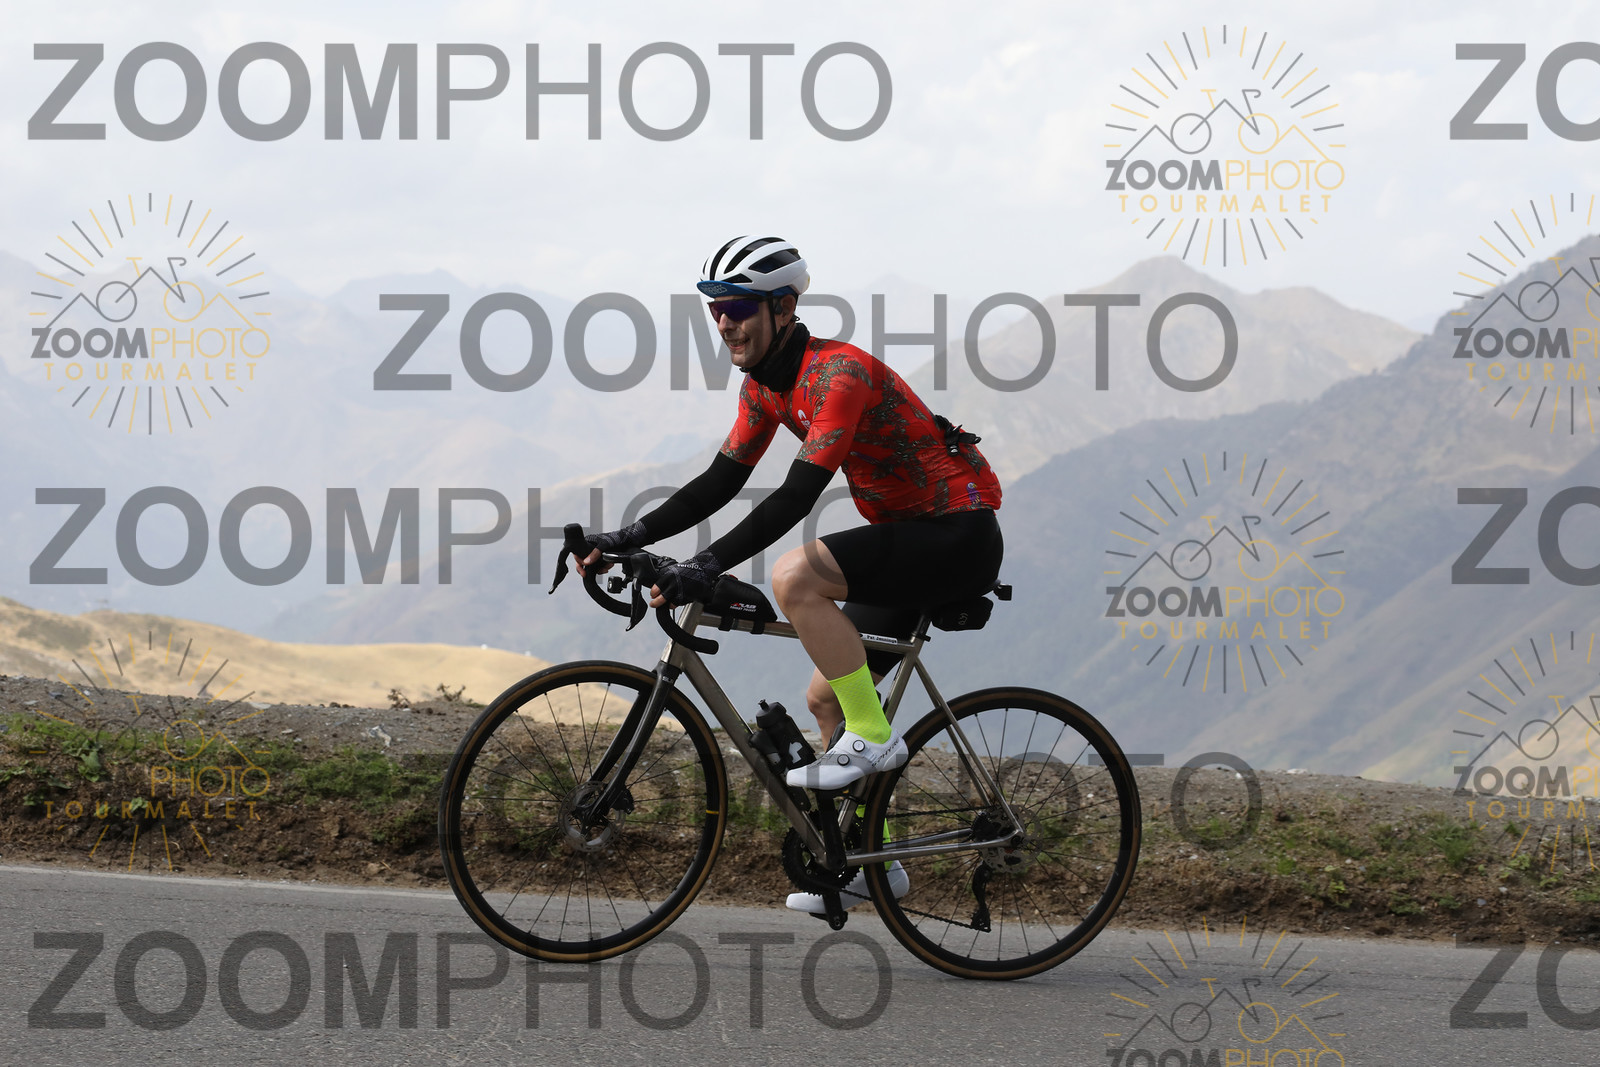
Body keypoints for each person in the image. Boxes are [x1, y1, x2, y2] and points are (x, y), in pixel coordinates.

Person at [575, 236, 1003, 913]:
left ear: (782, 307)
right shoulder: (765, 387)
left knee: (796, 576)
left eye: (739, 307)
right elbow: (721, 480)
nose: (724, 323)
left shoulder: (839, 375)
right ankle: (874, 867)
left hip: (957, 536)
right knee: (828, 698)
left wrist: (705, 564)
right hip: (907, 537)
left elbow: (798, 495)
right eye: (715, 309)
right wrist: (625, 537)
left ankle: (875, 737)